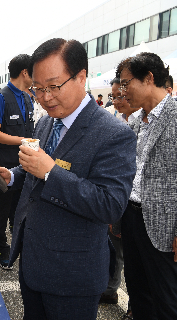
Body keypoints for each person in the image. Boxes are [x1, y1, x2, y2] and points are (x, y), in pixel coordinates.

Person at [0, 38, 136, 319]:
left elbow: (110, 205)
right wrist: (13, 175)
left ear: (81, 77)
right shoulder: (46, 122)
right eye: (38, 88)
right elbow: (34, 169)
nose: (44, 97)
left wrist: (51, 172)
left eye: (53, 86)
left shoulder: (114, 133)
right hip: (33, 262)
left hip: (72, 274)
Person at [117, 52, 177, 320]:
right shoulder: (134, 121)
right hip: (131, 217)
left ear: (149, 78)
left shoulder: (174, 117)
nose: (122, 90)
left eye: (126, 83)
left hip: (164, 226)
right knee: (138, 292)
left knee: (167, 300)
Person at [0, 54, 34, 269]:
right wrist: (24, 140)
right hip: (3, 167)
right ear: (25, 72)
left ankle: (16, 246)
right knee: (2, 210)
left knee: (19, 210)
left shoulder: (27, 98)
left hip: (24, 165)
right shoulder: (1, 97)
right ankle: (1, 247)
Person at [99, 77, 140, 319]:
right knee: (114, 249)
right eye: (113, 96)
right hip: (116, 197)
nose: (116, 101)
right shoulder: (114, 119)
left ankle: (136, 305)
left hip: (135, 202)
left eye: (120, 96)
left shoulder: (140, 124)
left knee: (134, 258)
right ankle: (110, 289)